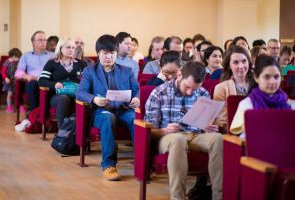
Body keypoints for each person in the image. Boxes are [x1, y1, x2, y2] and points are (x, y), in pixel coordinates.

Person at [145, 62, 223, 200]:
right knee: (178, 139)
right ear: (179, 75)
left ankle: (219, 196)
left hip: (195, 135)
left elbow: (206, 123)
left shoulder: (203, 93)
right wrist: (164, 130)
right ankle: (178, 197)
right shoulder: (158, 93)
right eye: (187, 87)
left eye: (194, 89)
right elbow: (149, 131)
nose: (189, 92)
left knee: (217, 138)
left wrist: (207, 125)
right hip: (167, 137)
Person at [76, 34, 139, 181]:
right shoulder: (90, 71)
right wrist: (94, 99)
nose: (109, 57)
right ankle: (109, 165)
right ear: (98, 53)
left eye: (112, 53)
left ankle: (143, 163)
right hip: (102, 110)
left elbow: (137, 89)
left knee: (135, 119)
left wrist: (137, 98)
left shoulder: (126, 71)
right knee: (107, 117)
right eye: (105, 53)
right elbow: (80, 92)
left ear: (117, 53)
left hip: (124, 109)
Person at [230, 54, 295, 138]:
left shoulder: (289, 104)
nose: (272, 82)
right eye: (267, 77)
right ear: (256, 77)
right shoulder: (247, 104)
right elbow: (242, 135)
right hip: (255, 146)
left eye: (276, 77)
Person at [39, 38, 84, 127]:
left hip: (76, 94)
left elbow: (87, 79)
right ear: (60, 48)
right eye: (68, 47)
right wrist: (54, 84)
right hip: (57, 96)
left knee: (84, 99)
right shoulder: (52, 63)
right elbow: (42, 81)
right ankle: (62, 132)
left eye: (72, 47)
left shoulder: (80, 63)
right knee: (64, 98)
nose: (71, 50)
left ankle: (79, 132)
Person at [213, 45, 253, 133]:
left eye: (244, 61)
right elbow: (222, 121)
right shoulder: (221, 88)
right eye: (235, 62)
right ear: (229, 66)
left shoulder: (258, 85)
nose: (241, 66)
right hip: (234, 132)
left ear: (249, 63)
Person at [15, 30, 54, 112]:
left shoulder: (52, 56)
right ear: (33, 42)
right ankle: (35, 112)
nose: (43, 42)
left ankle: (43, 114)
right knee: (32, 84)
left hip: (48, 82)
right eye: (40, 40)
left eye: (45, 40)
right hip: (33, 82)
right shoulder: (26, 56)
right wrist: (26, 76)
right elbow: (18, 73)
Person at [1, 48, 23, 113]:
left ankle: (20, 106)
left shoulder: (18, 62)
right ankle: (9, 107)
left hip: (16, 81)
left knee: (19, 94)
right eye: (18, 57)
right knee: (10, 94)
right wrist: (5, 78)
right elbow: (3, 71)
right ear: (13, 56)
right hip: (9, 81)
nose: (19, 59)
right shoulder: (7, 62)